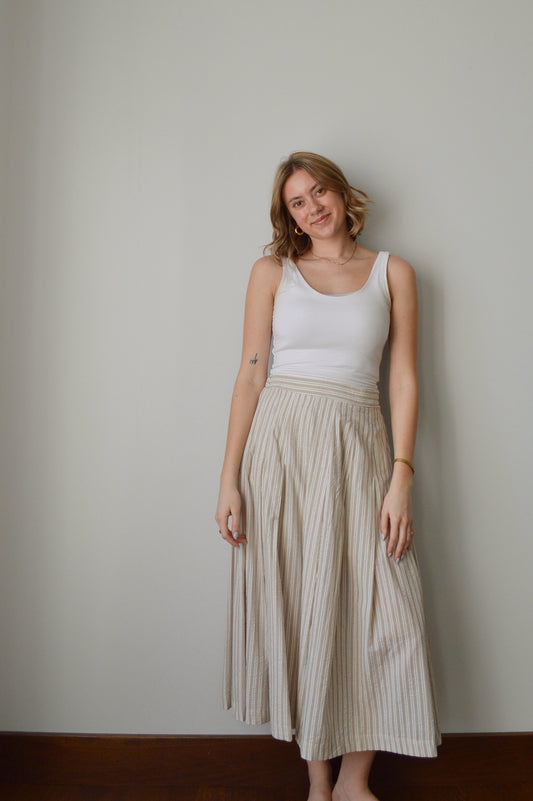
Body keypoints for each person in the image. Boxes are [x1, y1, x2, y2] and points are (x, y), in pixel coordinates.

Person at [215, 151, 441, 801]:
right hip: (280, 449)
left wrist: (401, 474)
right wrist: (228, 478)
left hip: (358, 447)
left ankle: (354, 778)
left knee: (381, 608)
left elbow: (401, 376)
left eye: (319, 192)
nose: (312, 207)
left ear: (341, 194)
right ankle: (318, 780)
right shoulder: (271, 272)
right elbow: (250, 373)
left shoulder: (393, 271)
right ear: (286, 214)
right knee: (300, 606)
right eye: (296, 201)